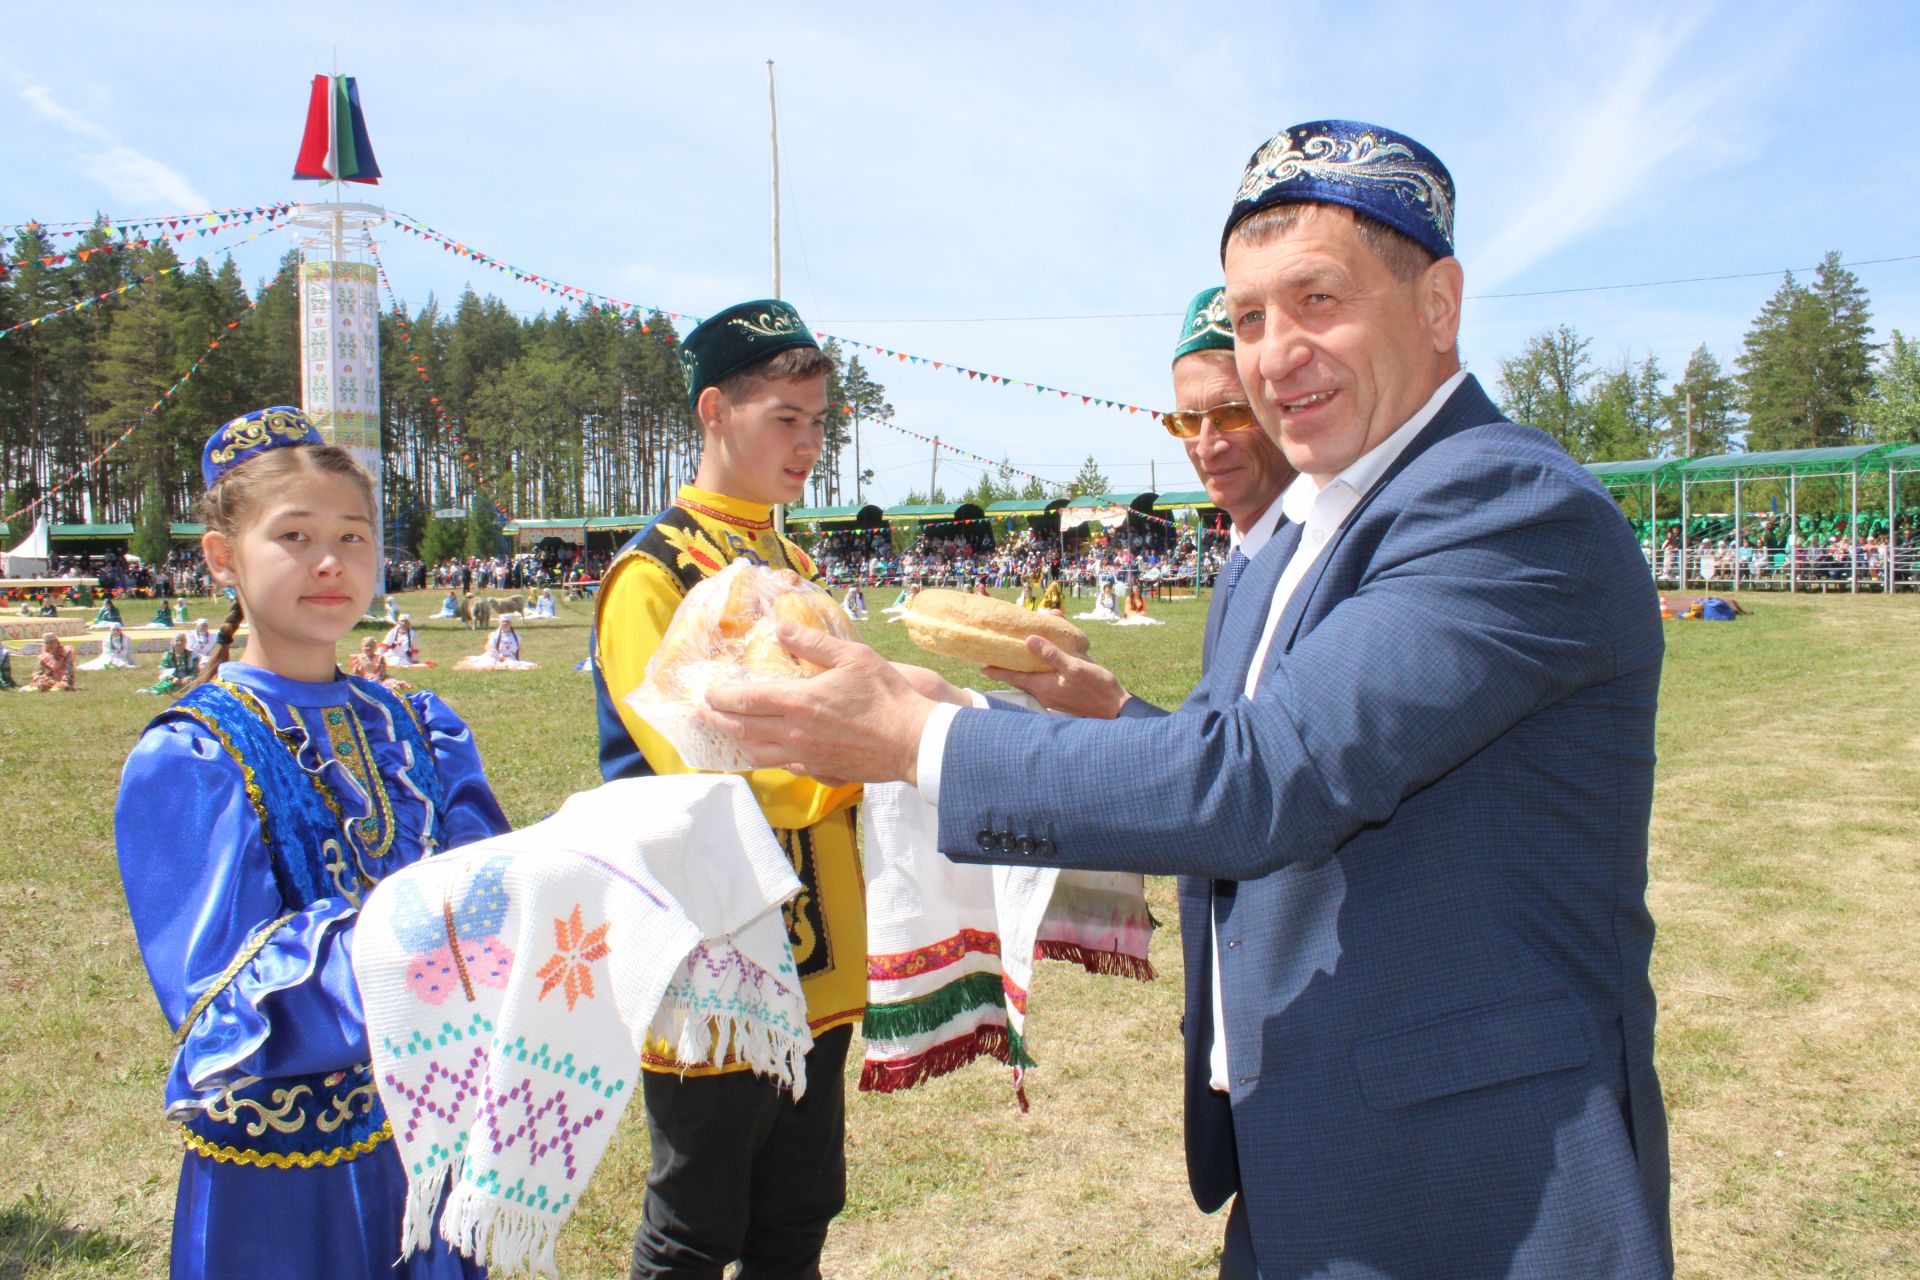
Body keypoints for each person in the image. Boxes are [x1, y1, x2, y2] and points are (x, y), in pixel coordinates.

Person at [701, 121, 1672, 1279]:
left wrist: (926, 743)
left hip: (1475, 1179)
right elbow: (1247, 758)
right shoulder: (1312, 521)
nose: (1276, 354)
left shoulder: (1502, 503)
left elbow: (1274, 776)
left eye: (1319, 300)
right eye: (1252, 315)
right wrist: (1049, 712)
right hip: (1309, 1141)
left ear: (1438, 304)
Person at [114, 406, 509, 1279]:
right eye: (293, 536)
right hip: (286, 1184)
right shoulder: (193, 756)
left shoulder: (422, 727)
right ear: (223, 557)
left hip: (434, 1138)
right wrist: (417, 953)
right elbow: (222, 1000)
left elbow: (493, 897)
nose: (331, 562)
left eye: (353, 536)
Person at [587, 300, 864, 1279]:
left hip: (819, 946)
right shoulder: (650, 574)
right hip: (707, 949)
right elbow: (695, 757)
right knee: (695, 1226)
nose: (809, 442)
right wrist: (859, 761)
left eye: (820, 420)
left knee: (797, 1214)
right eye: (785, 417)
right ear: (714, 409)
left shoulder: (793, 563)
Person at [454, 615, 538, 671]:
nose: (505, 624)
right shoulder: (494, 635)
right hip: (495, 656)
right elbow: (491, 648)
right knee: (489, 664)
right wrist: (500, 656)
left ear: (511, 623)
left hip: (509, 657)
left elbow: (518, 649)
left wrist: (509, 657)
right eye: (503, 622)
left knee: (513, 664)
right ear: (500, 623)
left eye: (507, 622)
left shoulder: (516, 636)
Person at [137, 632, 199, 696]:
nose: (180, 643)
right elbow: (164, 670)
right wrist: (173, 678)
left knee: (193, 684)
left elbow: (196, 671)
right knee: (168, 684)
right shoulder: (168, 655)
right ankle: (152, 691)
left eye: (182, 641)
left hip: (187, 679)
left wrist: (188, 678)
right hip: (173, 678)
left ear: (186, 642)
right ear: (172, 642)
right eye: (177, 641)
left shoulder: (192, 655)